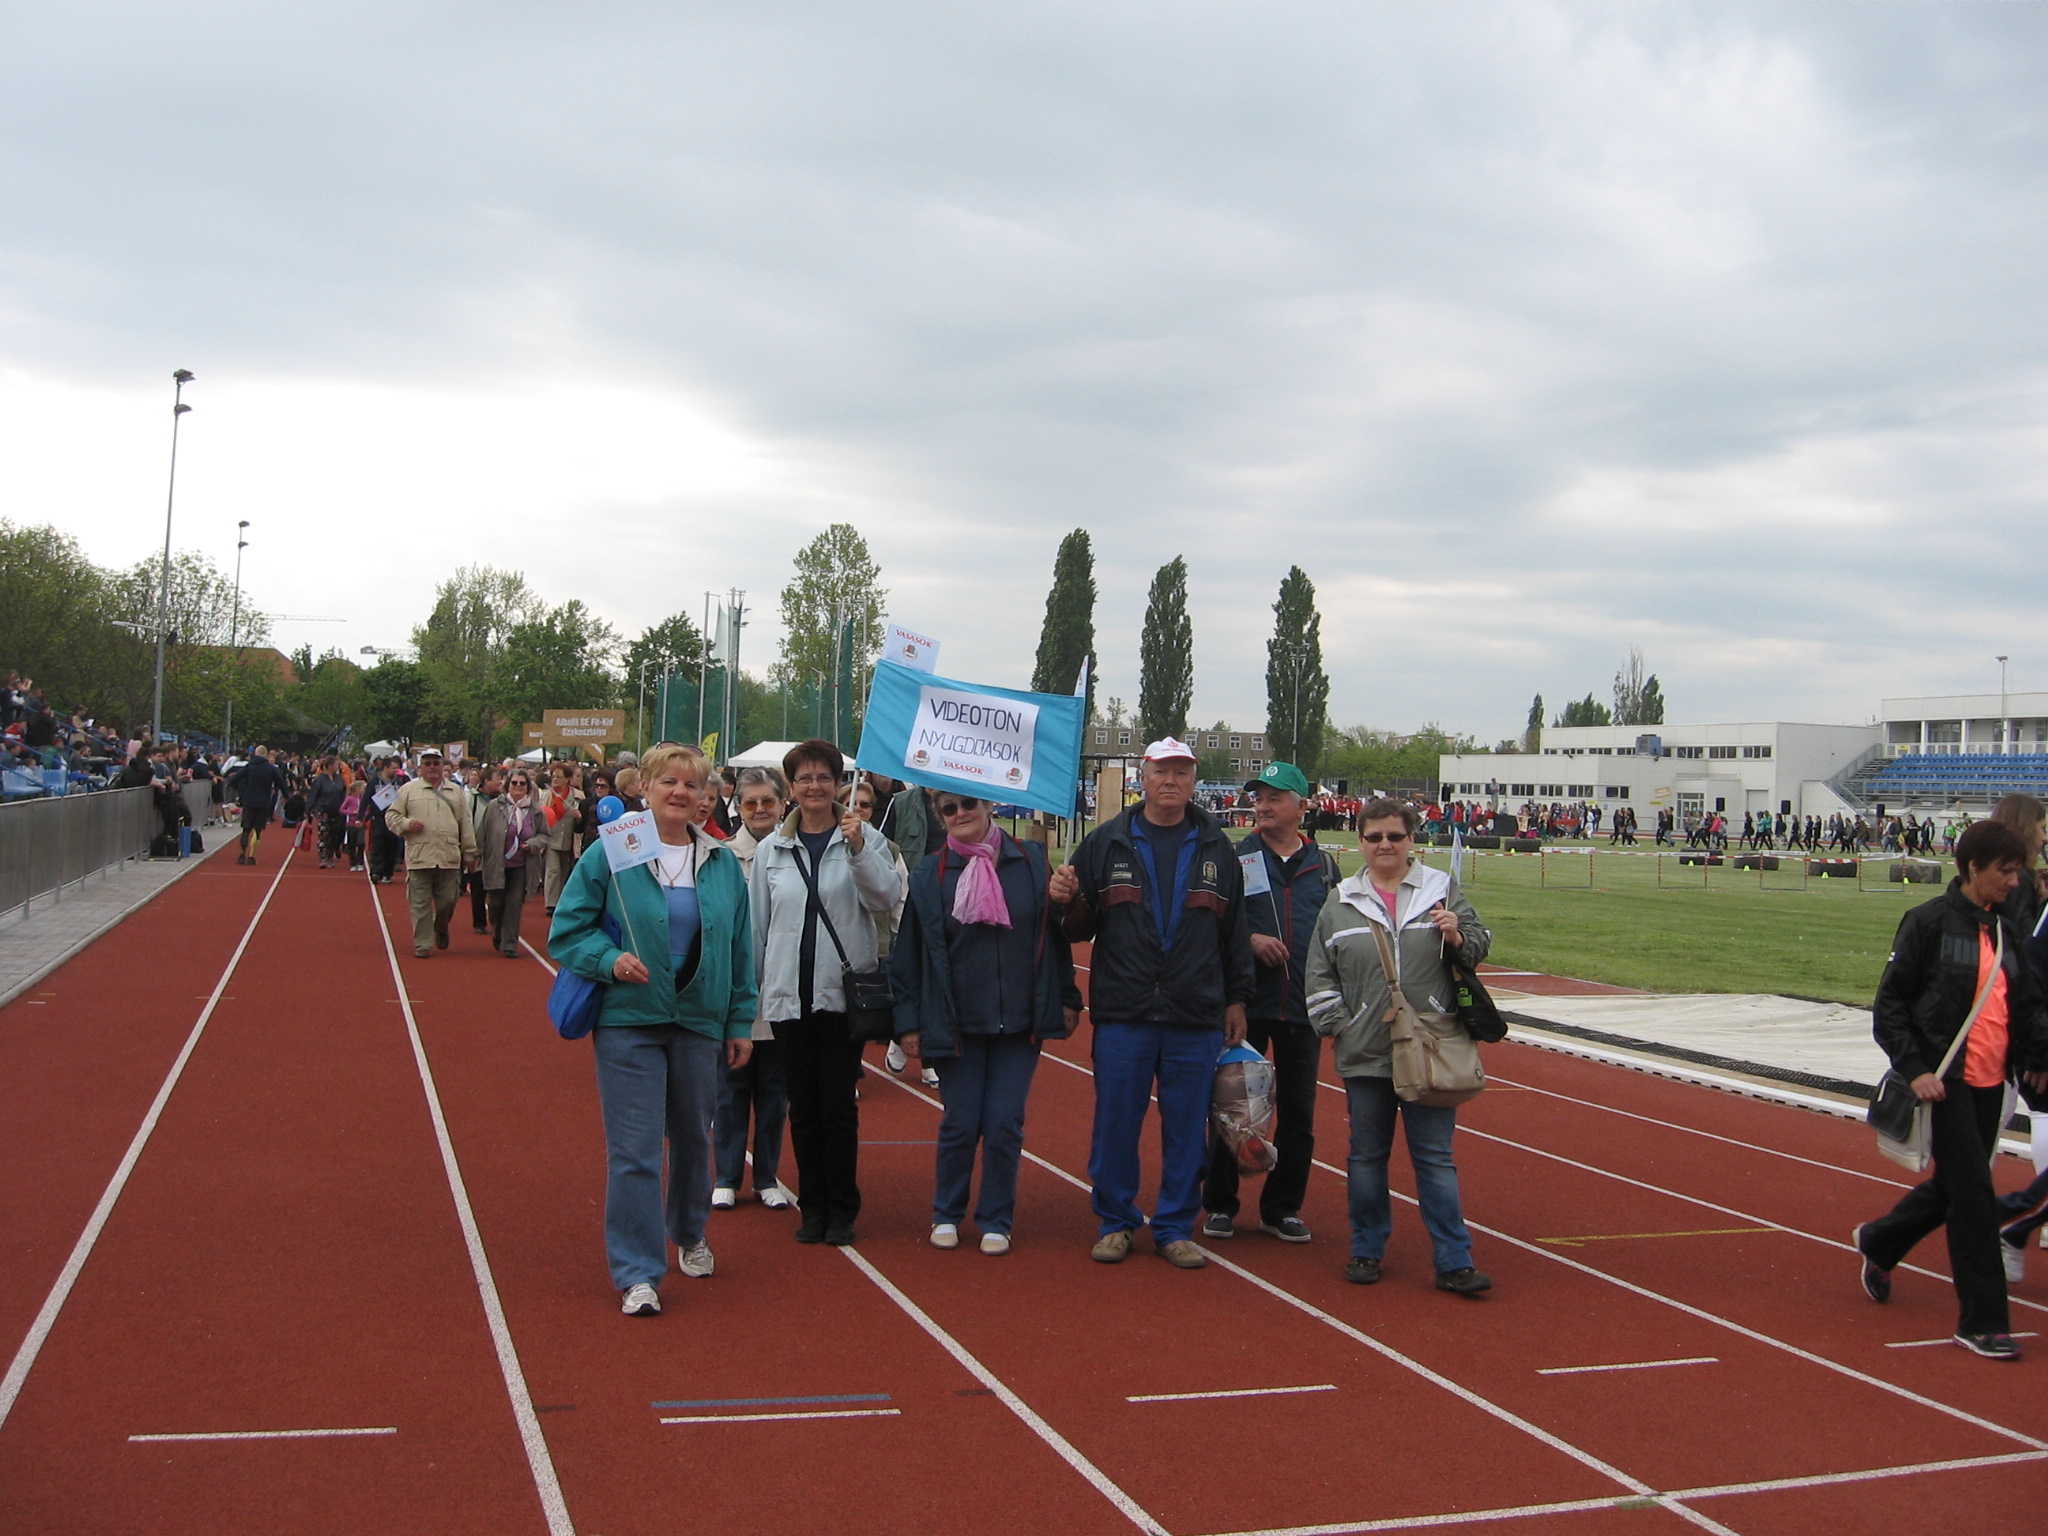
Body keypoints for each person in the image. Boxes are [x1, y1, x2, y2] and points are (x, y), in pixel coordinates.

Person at [549, 744, 758, 1317]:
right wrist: (608, 959)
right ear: (645, 786)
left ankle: (689, 1231)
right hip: (630, 1021)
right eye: (669, 782)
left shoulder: (720, 863)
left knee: (693, 1139)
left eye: (692, 785)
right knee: (635, 1151)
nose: (680, 793)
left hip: (699, 1021)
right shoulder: (611, 851)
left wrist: (739, 1020)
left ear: (705, 796)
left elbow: (740, 950)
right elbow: (568, 930)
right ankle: (638, 1271)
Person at [1050, 737, 1252, 1269]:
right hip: (1125, 1011)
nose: (1171, 781)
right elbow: (1076, 928)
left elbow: (1235, 932)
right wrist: (1066, 900)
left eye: (1181, 772)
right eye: (1162, 771)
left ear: (1193, 781)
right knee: (1116, 1125)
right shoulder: (1106, 842)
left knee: (1186, 1129)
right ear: (1143, 777)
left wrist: (1237, 999)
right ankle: (1116, 1222)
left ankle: (1174, 1228)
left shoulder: (1218, 847)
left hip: (1195, 1013)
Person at [1855, 820, 2048, 1359]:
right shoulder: (1928, 923)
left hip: (1992, 1083)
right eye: (2005, 871)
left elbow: (2027, 1006)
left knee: (1957, 1186)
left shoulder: (2007, 930)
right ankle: (1982, 1322)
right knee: (1975, 1199)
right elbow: (1891, 1006)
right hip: (1945, 1084)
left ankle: (1881, 1240)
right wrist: (1916, 1068)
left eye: (2018, 872)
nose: (2015, 882)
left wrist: (2040, 1058)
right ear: (1972, 867)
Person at [1305, 795, 1494, 1295]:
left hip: (1430, 1047)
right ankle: (1366, 1249)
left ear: (1412, 840)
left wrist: (1458, 936)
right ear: (1360, 842)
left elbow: (1480, 941)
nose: (1385, 845)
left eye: (1395, 836)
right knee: (1367, 1156)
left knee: (1434, 1156)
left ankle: (1454, 1260)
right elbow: (1319, 971)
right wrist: (1339, 1024)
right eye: (1374, 837)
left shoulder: (1440, 888)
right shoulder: (1341, 899)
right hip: (1365, 1049)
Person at [893, 789, 1079, 1253]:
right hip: (957, 1021)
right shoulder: (931, 873)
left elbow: (1055, 937)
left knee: (1004, 1122)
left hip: (1020, 1020)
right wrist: (909, 1023)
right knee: (960, 1122)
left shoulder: (1031, 862)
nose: (960, 814)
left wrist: (1067, 995)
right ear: (941, 817)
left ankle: (996, 1217)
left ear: (989, 806)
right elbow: (910, 953)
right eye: (949, 809)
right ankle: (946, 1212)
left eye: (968, 805)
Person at [750, 739, 902, 1245]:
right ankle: (811, 1205)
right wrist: (756, 992)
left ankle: (842, 1207)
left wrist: (859, 850)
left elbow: (885, 898)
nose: (814, 786)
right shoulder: (772, 849)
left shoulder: (863, 837)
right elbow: (758, 926)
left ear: (839, 784)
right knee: (802, 1107)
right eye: (804, 778)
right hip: (788, 996)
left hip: (841, 996)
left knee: (837, 1107)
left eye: (823, 777)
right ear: (790, 788)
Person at [1202, 762, 1338, 1244]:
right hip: (1247, 1003)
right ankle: (1220, 1204)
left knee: (1298, 1114)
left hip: (1302, 1007)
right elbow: (1213, 924)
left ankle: (1282, 1208)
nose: (1262, 805)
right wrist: (1250, 939)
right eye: (1258, 797)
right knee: (1232, 1108)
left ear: (1302, 807)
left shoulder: (1325, 867)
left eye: (1275, 797)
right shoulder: (1236, 858)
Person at [712, 766, 793, 1211]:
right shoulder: (723, 856)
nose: (759, 809)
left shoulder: (796, 853)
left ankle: (766, 1176)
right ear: (738, 807)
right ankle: (726, 1175)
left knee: (774, 1091)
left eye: (768, 801)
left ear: (783, 804)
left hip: (782, 992)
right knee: (731, 1089)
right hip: (735, 993)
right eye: (750, 802)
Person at [385, 750, 478, 959]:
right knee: (420, 904)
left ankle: (441, 927)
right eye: (427, 763)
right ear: (420, 767)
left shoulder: (455, 791)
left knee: (448, 901)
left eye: (436, 763)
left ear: (443, 766)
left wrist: (470, 853)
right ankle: (422, 943)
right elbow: (391, 816)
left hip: (448, 856)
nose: (432, 767)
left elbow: (465, 822)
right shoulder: (408, 790)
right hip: (420, 856)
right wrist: (407, 824)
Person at [479, 767, 548, 958]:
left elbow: (545, 835)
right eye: (514, 783)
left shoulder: (536, 811)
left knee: (514, 904)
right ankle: (498, 931)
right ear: (508, 785)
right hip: (497, 863)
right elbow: (482, 832)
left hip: (522, 865)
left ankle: (510, 944)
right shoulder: (494, 807)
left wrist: (533, 844)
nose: (518, 786)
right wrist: (476, 855)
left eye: (522, 783)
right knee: (496, 904)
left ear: (528, 787)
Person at [230, 746, 287, 866]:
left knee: (246, 828)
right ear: (266, 755)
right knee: (257, 829)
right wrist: (286, 796)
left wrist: (239, 789)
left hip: (249, 801)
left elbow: (235, 779)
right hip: (263, 802)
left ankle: (241, 855)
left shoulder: (249, 767)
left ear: (255, 754)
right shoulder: (271, 768)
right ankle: (251, 856)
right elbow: (281, 782)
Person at [543, 761, 585, 914]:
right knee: (553, 871)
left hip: (569, 839)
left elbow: (582, 820)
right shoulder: (547, 796)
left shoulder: (577, 796)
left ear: (567, 779)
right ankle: (551, 903)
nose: (555, 780)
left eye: (558, 777)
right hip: (551, 838)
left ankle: (561, 901)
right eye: (553, 777)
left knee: (565, 870)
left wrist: (579, 817)